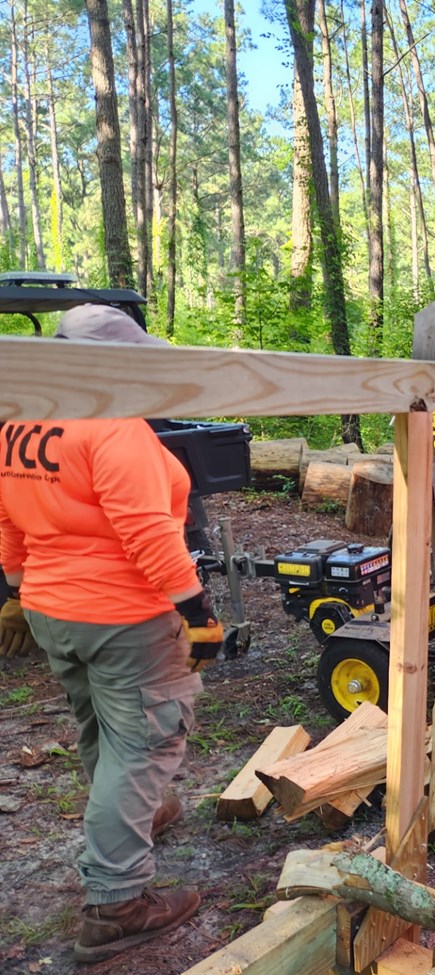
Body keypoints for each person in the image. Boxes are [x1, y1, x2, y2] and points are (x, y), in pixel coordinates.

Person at [0, 304, 224, 964]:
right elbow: (149, 533)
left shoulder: (22, 416)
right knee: (144, 743)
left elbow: (7, 515)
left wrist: (17, 587)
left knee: (103, 728)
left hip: (54, 607)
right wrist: (199, 614)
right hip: (125, 613)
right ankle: (117, 905)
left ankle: (134, 818)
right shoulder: (113, 424)